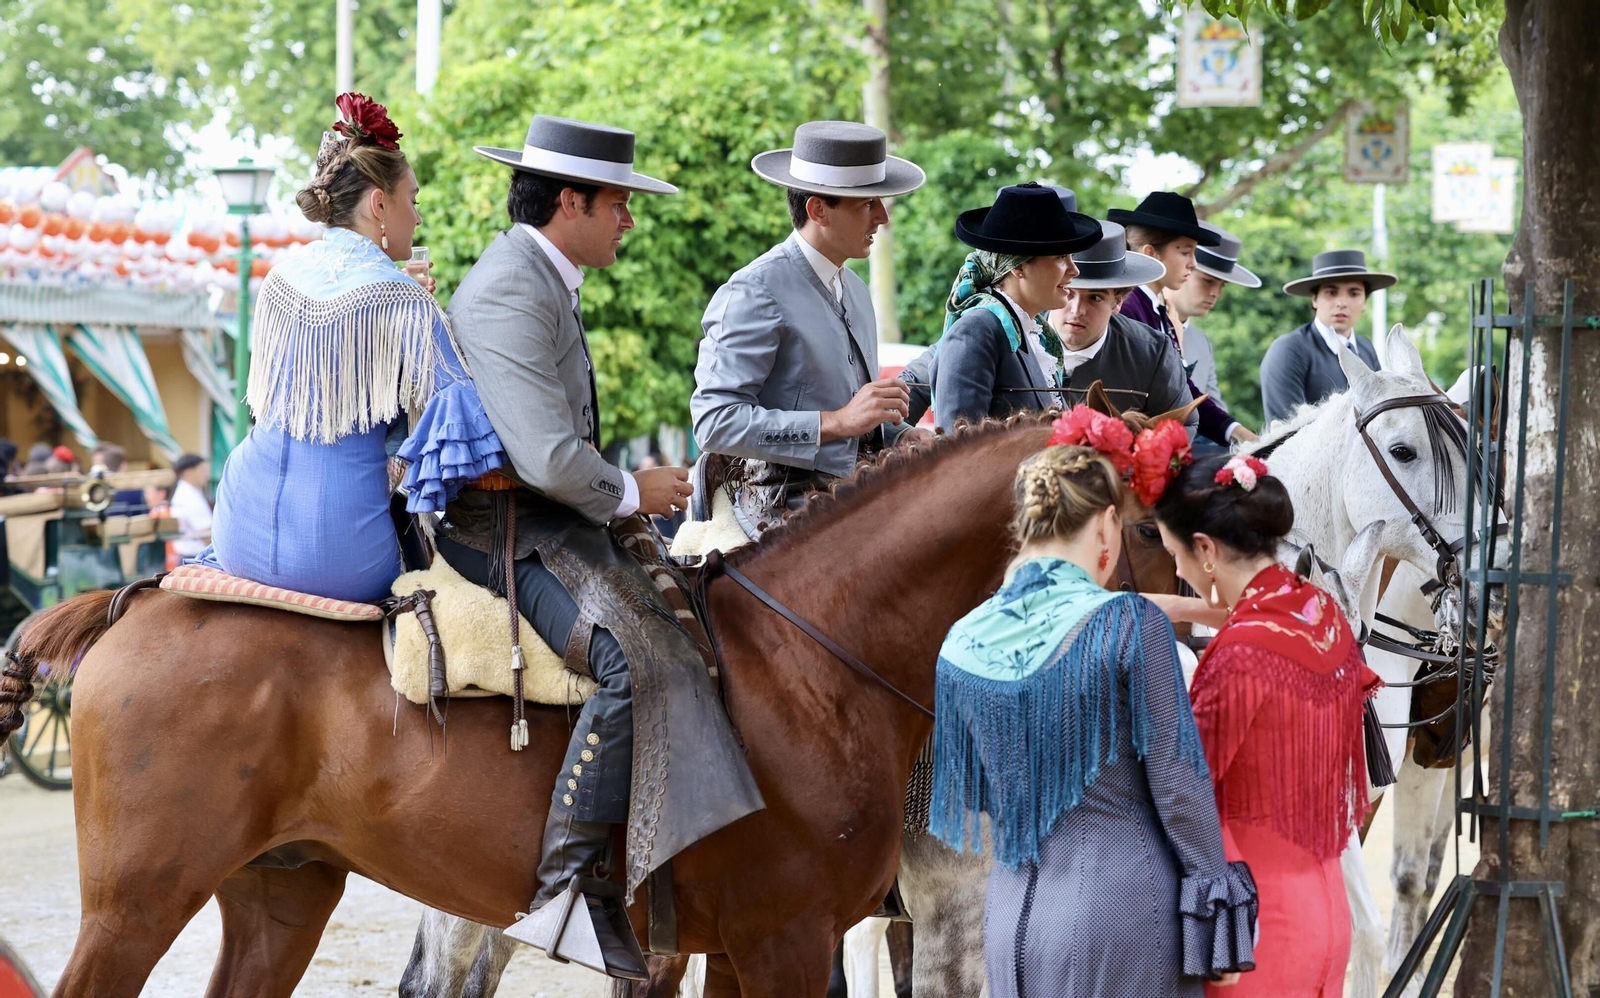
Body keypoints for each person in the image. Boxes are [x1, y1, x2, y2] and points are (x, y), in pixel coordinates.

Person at [438, 114, 760, 979]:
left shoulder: (543, 275)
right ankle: (565, 892)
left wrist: (626, 491)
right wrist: (632, 490)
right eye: (619, 203)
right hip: (503, 531)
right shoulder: (511, 285)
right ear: (570, 201)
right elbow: (546, 457)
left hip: (549, 519)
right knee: (639, 660)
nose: (628, 219)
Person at [930, 415, 1257, 998]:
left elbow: (981, 792)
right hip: (1124, 918)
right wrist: (1217, 917)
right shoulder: (1130, 626)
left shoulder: (959, 641)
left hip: (1009, 923)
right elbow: (1180, 788)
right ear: (1108, 527)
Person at [206, 93, 505, 601]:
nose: (418, 217)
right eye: (413, 199)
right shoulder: (404, 301)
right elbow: (459, 436)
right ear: (378, 204)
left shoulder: (281, 279)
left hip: (237, 527)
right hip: (337, 551)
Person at [1153, 452, 1379, 997]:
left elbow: (1188, 790)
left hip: (1252, 931)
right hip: (1326, 915)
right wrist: (1186, 611)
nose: (1178, 572)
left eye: (1175, 554)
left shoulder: (1238, 657)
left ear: (1205, 549)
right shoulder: (1320, 612)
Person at [692, 120, 928, 533]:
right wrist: (835, 422)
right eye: (868, 203)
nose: (883, 217)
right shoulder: (754, 290)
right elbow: (713, 422)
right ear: (817, 209)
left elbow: (859, 420)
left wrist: (901, 436)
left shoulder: (854, 288)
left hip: (858, 500)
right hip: (780, 515)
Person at [928, 182, 1101, 430]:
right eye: (1061, 257)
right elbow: (959, 450)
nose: (1075, 270)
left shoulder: (1036, 333)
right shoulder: (976, 330)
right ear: (1018, 267)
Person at [1109, 193, 1251, 447]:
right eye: (1186, 252)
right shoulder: (1127, 310)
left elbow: (1184, 390)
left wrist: (1238, 433)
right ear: (1151, 253)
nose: (1193, 264)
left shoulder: (1156, 310)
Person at [1045, 217, 1195, 432]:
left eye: (1094, 298)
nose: (1077, 310)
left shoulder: (1153, 352)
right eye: (1068, 292)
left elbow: (1184, 423)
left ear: (1117, 302)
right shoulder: (1015, 335)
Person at [1258, 249, 1390, 426]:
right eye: (1331, 292)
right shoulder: (1289, 350)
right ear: (1314, 299)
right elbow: (1285, 431)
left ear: (1365, 302)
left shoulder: (1366, 349)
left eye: (1354, 293)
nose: (1342, 303)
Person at [1164, 221, 1262, 450]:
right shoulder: (1140, 320)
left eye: (1222, 285)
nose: (1215, 293)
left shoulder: (1201, 342)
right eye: (1207, 281)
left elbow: (1216, 410)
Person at [168, 454, 213, 562]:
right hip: (196, 558)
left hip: (191, 557)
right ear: (189, 473)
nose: (206, 474)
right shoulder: (188, 496)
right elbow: (206, 534)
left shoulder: (188, 491)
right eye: (202, 470)